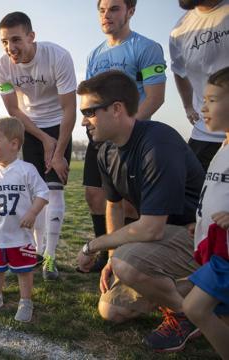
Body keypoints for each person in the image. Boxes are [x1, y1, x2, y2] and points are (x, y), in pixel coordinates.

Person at [75, 70, 205, 353]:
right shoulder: (105, 151)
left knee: (128, 261)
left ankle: (190, 314)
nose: (83, 120)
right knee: (110, 309)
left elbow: (151, 228)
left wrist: (92, 246)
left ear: (117, 109)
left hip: (201, 238)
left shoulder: (158, 142)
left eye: (89, 111)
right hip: (163, 245)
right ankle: (202, 296)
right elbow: (114, 205)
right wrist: (110, 259)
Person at [83, 0, 167, 272]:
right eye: (102, 10)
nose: (106, 15)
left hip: (132, 138)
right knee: (95, 195)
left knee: (128, 204)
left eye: (114, 8)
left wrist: (126, 129)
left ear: (130, 11)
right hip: (100, 136)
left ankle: (129, 257)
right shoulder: (94, 55)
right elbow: (89, 95)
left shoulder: (146, 48)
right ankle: (105, 253)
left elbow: (155, 97)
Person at [0, 11, 76, 280]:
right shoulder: (1, 66)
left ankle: (49, 258)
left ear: (31, 36)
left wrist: (59, 152)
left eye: (16, 39)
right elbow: (14, 110)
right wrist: (43, 139)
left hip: (59, 124)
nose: (10, 48)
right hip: (28, 126)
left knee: (54, 190)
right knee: (31, 193)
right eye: (5, 42)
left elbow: (69, 109)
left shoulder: (58, 56)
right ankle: (34, 253)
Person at [0, 117, 49, 322]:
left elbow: (43, 193)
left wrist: (32, 213)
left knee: (24, 271)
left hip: (21, 235)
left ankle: (26, 301)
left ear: (14, 144)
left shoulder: (26, 170)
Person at [182, 66, 229, 359]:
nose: (203, 106)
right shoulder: (222, 146)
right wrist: (198, 223)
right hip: (214, 248)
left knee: (194, 307)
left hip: (226, 257)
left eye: (212, 99)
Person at [170, 0, 229, 171]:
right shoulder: (179, 31)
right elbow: (179, 70)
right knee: (193, 196)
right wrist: (188, 106)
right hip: (205, 135)